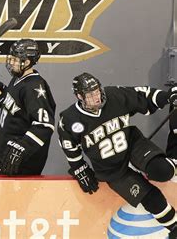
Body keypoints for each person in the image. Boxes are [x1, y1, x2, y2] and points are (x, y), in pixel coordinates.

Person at [58, 73, 177, 237]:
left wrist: (167, 96)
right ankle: (174, 227)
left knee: (162, 171)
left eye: (97, 91)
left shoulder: (114, 96)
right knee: (148, 197)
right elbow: (69, 146)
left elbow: (141, 95)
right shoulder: (69, 119)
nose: (96, 97)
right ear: (79, 96)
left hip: (132, 146)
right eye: (90, 94)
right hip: (110, 168)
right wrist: (80, 168)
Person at [0, 39, 56, 175]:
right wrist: (0, 94)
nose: (11, 62)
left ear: (27, 62)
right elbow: (17, 111)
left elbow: (44, 125)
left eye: (15, 60)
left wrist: (21, 148)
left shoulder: (34, 87)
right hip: (7, 157)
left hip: (21, 163)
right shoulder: (18, 78)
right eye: (11, 58)